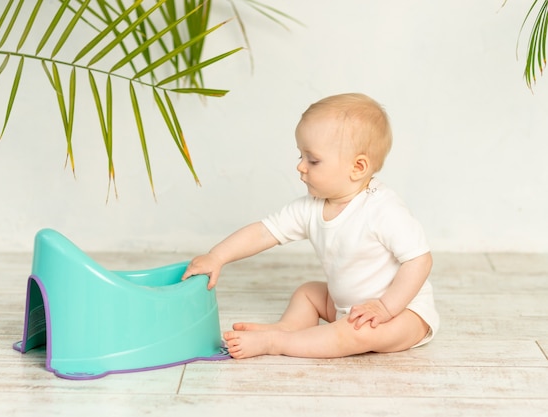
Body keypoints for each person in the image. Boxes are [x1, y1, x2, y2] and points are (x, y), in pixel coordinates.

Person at [181, 93, 439, 360]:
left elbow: (419, 260)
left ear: (358, 167)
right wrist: (217, 256)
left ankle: (277, 343)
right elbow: (263, 232)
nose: (300, 166)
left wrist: (386, 308)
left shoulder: (383, 209)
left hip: (404, 314)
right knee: (308, 292)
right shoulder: (311, 206)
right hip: (346, 308)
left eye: (312, 160)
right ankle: (288, 329)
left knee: (356, 333)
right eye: (300, 155)